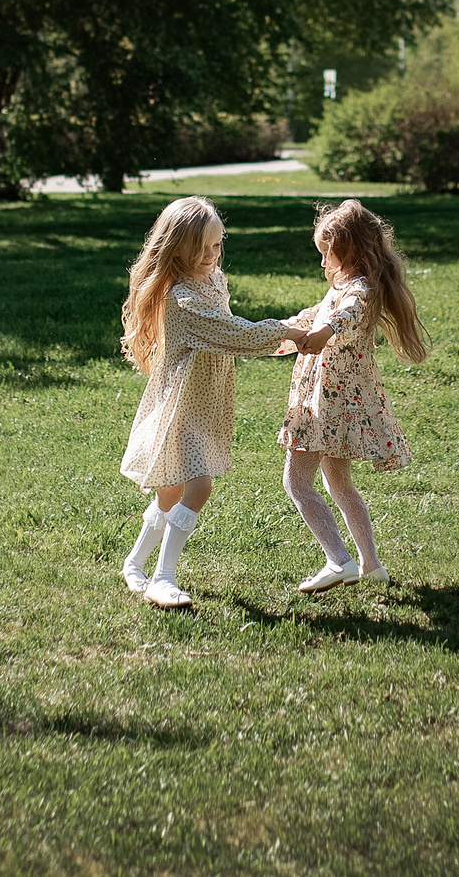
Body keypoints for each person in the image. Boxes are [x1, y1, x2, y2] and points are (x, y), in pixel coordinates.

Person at [117, 196, 332, 608]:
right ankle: (163, 579)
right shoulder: (181, 299)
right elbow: (230, 331)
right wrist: (283, 331)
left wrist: (292, 331)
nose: (210, 255)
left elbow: (231, 333)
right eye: (199, 248)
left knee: (170, 491)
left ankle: (134, 565)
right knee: (197, 485)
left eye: (216, 245)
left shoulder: (214, 280)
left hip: (208, 401)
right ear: (174, 247)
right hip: (181, 404)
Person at [275, 199, 429, 591]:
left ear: (350, 252)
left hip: (327, 402)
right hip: (340, 402)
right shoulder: (345, 286)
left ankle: (338, 560)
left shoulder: (359, 289)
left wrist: (325, 333)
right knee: (338, 483)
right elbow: (313, 317)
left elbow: (346, 316)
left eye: (328, 255)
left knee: (297, 482)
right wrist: (273, 333)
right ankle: (371, 564)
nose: (323, 264)